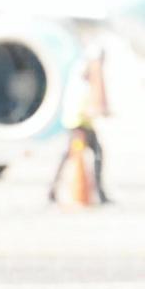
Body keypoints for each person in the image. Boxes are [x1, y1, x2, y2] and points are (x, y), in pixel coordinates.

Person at [48, 51, 111, 204]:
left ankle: (53, 190)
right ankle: (97, 192)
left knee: (71, 155)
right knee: (91, 153)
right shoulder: (83, 80)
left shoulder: (79, 78)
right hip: (78, 125)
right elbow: (88, 104)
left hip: (79, 123)